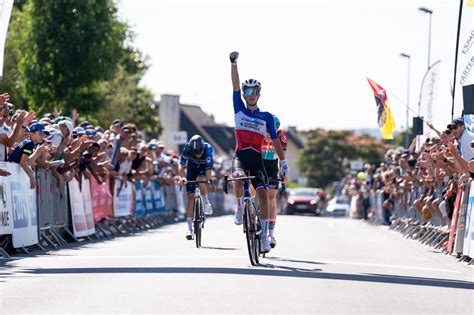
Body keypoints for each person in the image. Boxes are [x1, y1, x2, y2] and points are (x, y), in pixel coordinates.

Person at [229, 51, 289, 253]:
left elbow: (275, 140)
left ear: (259, 94)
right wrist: (234, 64)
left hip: (257, 158)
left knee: (263, 195)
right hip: (241, 156)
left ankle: (264, 236)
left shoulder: (267, 117)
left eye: (254, 91)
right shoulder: (239, 109)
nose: (250, 94)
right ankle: (239, 207)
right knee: (237, 176)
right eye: (247, 91)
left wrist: (284, 161)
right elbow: (235, 85)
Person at [177, 135, 215, 240]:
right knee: (190, 197)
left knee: (201, 179)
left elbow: (208, 170)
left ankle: (206, 201)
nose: (198, 156)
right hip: (192, 169)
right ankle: (189, 228)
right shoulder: (187, 148)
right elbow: (181, 165)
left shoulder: (208, 148)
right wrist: (182, 177)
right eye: (195, 155)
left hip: (203, 169)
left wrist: (210, 182)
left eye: (200, 153)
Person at [262, 115, 287, 248]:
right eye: (267, 130)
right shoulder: (257, 132)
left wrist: (283, 171)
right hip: (259, 164)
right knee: (257, 192)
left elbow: (282, 156)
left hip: (272, 165)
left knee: (271, 198)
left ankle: (271, 234)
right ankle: (250, 214)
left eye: (271, 131)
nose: (268, 134)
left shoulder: (281, 134)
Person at [8, 123, 49, 188]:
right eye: (40, 134)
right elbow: (23, 163)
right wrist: (32, 177)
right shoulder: (29, 144)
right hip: (10, 169)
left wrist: (39, 152)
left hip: (12, 169)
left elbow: (28, 161)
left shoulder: (29, 142)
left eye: (43, 134)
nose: (42, 136)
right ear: (31, 134)